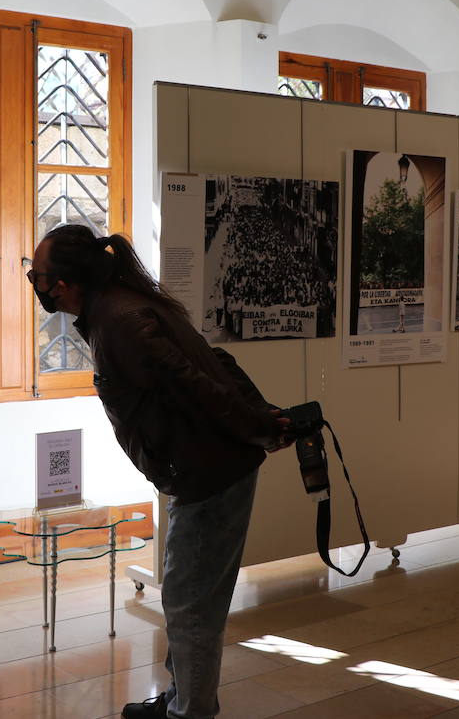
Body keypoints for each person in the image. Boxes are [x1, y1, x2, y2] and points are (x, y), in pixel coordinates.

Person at [29, 223, 289, 719]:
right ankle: (181, 699)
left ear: (61, 285)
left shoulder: (120, 320)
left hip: (209, 471)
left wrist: (258, 425)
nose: (35, 285)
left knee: (192, 607)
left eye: (35, 275)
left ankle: (190, 712)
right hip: (203, 465)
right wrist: (258, 421)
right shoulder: (117, 307)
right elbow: (214, 365)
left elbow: (199, 383)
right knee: (188, 599)